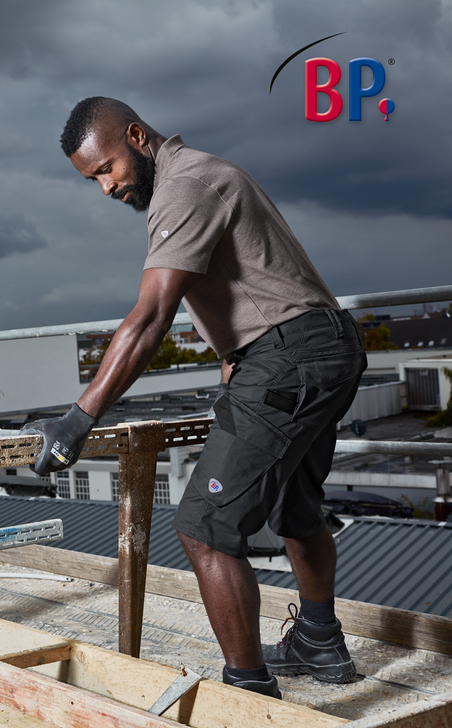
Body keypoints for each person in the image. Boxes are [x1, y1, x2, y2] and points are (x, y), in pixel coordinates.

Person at [22, 97, 366, 698]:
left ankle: (249, 692)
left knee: (205, 528)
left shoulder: (184, 186)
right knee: (293, 506)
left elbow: (151, 316)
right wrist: (237, 359)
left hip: (289, 357)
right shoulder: (202, 175)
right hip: (323, 348)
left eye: (107, 168)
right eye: (92, 180)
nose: (105, 188)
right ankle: (318, 638)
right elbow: (260, 279)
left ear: (136, 136)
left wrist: (79, 419)